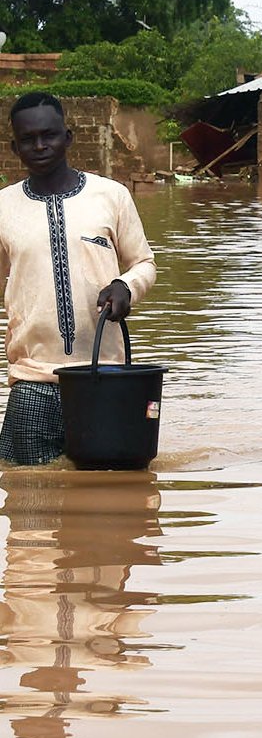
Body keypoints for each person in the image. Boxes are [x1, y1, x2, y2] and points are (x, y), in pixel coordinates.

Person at [0, 94, 156, 465]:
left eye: (49, 135)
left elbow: (144, 263)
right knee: (28, 503)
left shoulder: (111, 196)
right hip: (32, 379)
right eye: (28, 139)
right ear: (14, 146)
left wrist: (125, 286)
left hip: (105, 379)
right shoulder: (3, 206)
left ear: (68, 137)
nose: (39, 146)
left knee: (111, 503)